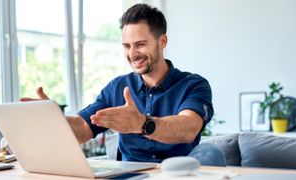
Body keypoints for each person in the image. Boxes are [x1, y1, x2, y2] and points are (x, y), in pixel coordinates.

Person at [21, 4, 225, 166]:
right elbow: (83, 129)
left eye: (140, 44)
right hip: (132, 175)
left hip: (177, 174)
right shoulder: (118, 87)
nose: (132, 54)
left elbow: (188, 128)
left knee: (211, 152)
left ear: (162, 42)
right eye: (127, 46)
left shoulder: (193, 84)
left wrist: (142, 124)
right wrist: (53, 118)